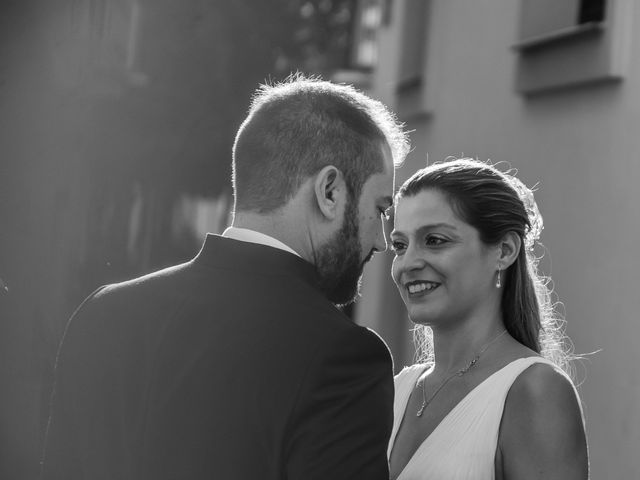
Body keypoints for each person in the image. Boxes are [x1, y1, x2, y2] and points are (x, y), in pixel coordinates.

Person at [40, 75, 409, 480]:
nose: (381, 240)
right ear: (330, 191)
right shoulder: (343, 357)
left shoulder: (104, 311)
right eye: (380, 209)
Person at [387, 158, 588, 480]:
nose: (407, 263)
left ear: (504, 250)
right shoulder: (397, 390)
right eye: (399, 245)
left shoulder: (535, 390)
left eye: (435, 240)